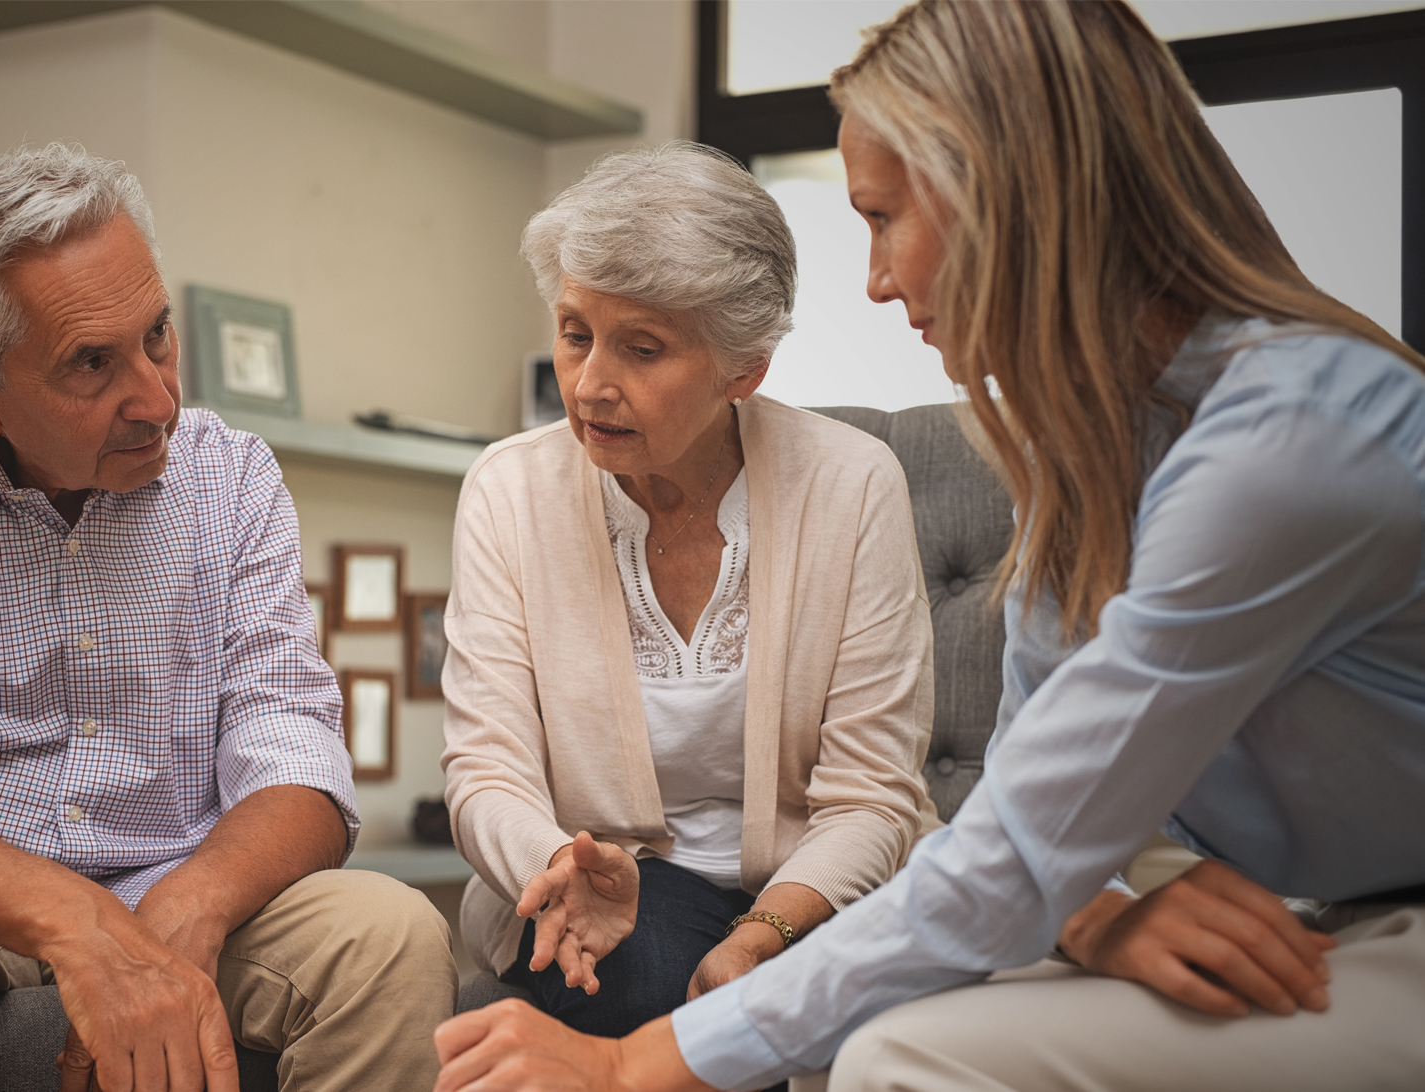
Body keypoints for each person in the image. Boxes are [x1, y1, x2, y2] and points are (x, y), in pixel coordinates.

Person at [430, 3, 1425, 1090]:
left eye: (881, 216)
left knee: (897, 1055)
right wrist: (1093, 914)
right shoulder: (1083, 452)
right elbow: (1028, 797)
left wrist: (631, 1069)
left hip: (1387, 919)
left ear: (1003, 202)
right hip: (1294, 905)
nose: (872, 278)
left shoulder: (1283, 447)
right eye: (575, 334)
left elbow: (998, 843)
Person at [0, 144, 456, 1092]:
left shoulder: (231, 477)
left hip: (180, 883)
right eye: (92, 363)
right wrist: (78, 928)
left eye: (158, 334)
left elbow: (296, 755)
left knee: (390, 932)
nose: (157, 399)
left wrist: (184, 911)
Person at [439, 141, 940, 1041]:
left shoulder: (855, 484)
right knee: (637, 967)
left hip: (808, 882)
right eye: (574, 332)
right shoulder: (509, 488)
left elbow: (872, 794)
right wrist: (562, 867)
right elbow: (486, 769)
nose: (590, 384)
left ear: (742, 370)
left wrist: (763, 931)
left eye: (642, 348)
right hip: (596, 885)